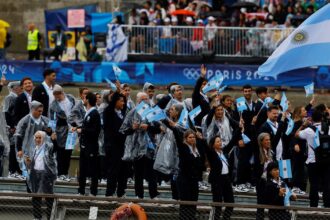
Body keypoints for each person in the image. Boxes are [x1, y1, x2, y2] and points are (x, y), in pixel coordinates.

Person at [120, 92, 161, 199]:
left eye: (146, 99)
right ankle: (139, 195)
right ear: (137, 101)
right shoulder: (132, 112)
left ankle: (153, 194)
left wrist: (148, 127)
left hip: (150, 147)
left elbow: (159, 129)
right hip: (136, 148)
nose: (144, 101)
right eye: (142, 99)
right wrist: (133, 128)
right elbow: (123, 130)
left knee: (152, 173)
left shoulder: (153, 112)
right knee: (138, 173)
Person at [295, 110, 330, 207]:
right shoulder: (329, 128)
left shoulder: (308, 130)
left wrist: (303, 125)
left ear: (311, 119)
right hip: (327, 161)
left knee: (314, 185)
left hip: (313, 161)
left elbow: (296, 134)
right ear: (322, 118)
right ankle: (328, 205)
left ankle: (313, 205)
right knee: (327, 184)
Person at [206, 130, 242, 220]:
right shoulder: (212, 154)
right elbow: (205, 147)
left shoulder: (224, 152)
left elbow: (232, 142)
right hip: (217, 180)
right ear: (213, 144)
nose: (220, 142)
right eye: (217, 141)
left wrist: (239, 129)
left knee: (230, 203)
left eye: (220, 141)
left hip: (226, 179)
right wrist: (201, 139)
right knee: (217, 204)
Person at [170, 128, 205, 220]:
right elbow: (177, 138)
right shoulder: (183, 148)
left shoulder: (197, 150)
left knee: (193, 203)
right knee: (185, 204)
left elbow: (202, 158)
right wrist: (173, 127)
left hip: (194, 180)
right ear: (186, 139)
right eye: (190, 137)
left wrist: (201, 138)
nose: (192, 139)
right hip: (184, 180)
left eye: (193, 137)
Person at [103, 88, 129, 197]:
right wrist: (118, 91)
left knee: (124, 170)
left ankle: (121, 192)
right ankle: (110, 193)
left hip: (123, 146)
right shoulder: (108, 112)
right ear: (115, 102)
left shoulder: (122, 112)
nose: (123, 103)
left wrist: (132, 128)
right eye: (121, 101)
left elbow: (126, 129)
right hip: (113, 146)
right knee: (113, 170)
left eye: (124, 101)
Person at [27, 131, 57, 220]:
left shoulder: (48, 147)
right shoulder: (33, 148)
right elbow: (31, 163)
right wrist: (28, 162)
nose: (38, 139)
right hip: (35, 174)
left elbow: (55, 149)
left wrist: (54, 140)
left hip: (46, 175)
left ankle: (50, 217)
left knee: (49, 197)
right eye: (36, 137)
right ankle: (37, 217)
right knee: (36, 196)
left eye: (40, 138)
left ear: (43, 138)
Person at [76, 92, 101, 196]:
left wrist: (82, 130)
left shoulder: (95, 113)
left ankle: (93, 191)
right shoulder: (88, 112)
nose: (83, 100)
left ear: (88, 100)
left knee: (93, 170)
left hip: (91, 147)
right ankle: (81, 191)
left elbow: (96, 131)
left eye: (85, 98)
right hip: (84, 146)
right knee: (82, 169)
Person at [49, 85, 75, 182]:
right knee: (61, 151)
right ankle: (60, 173)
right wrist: (53, 131)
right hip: (61, 130)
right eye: (55, 95)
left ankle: (65, 173)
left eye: (57, 95)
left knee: (68, 152)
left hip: (72, 129)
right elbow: (52, 119)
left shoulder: (71, 98)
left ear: (61, 93)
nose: (56, 97)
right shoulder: (53, 105)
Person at [3, 81, 22, 179]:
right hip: (12, 128)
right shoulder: (10, 97)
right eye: (19, 86)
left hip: (17, 127)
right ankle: (12, 171)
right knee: (12, 148)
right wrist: (11, 126)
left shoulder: (17, 97)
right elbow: (6, 112)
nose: (21, 88)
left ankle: (17, 170)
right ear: (14, 87)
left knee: (16, 148)